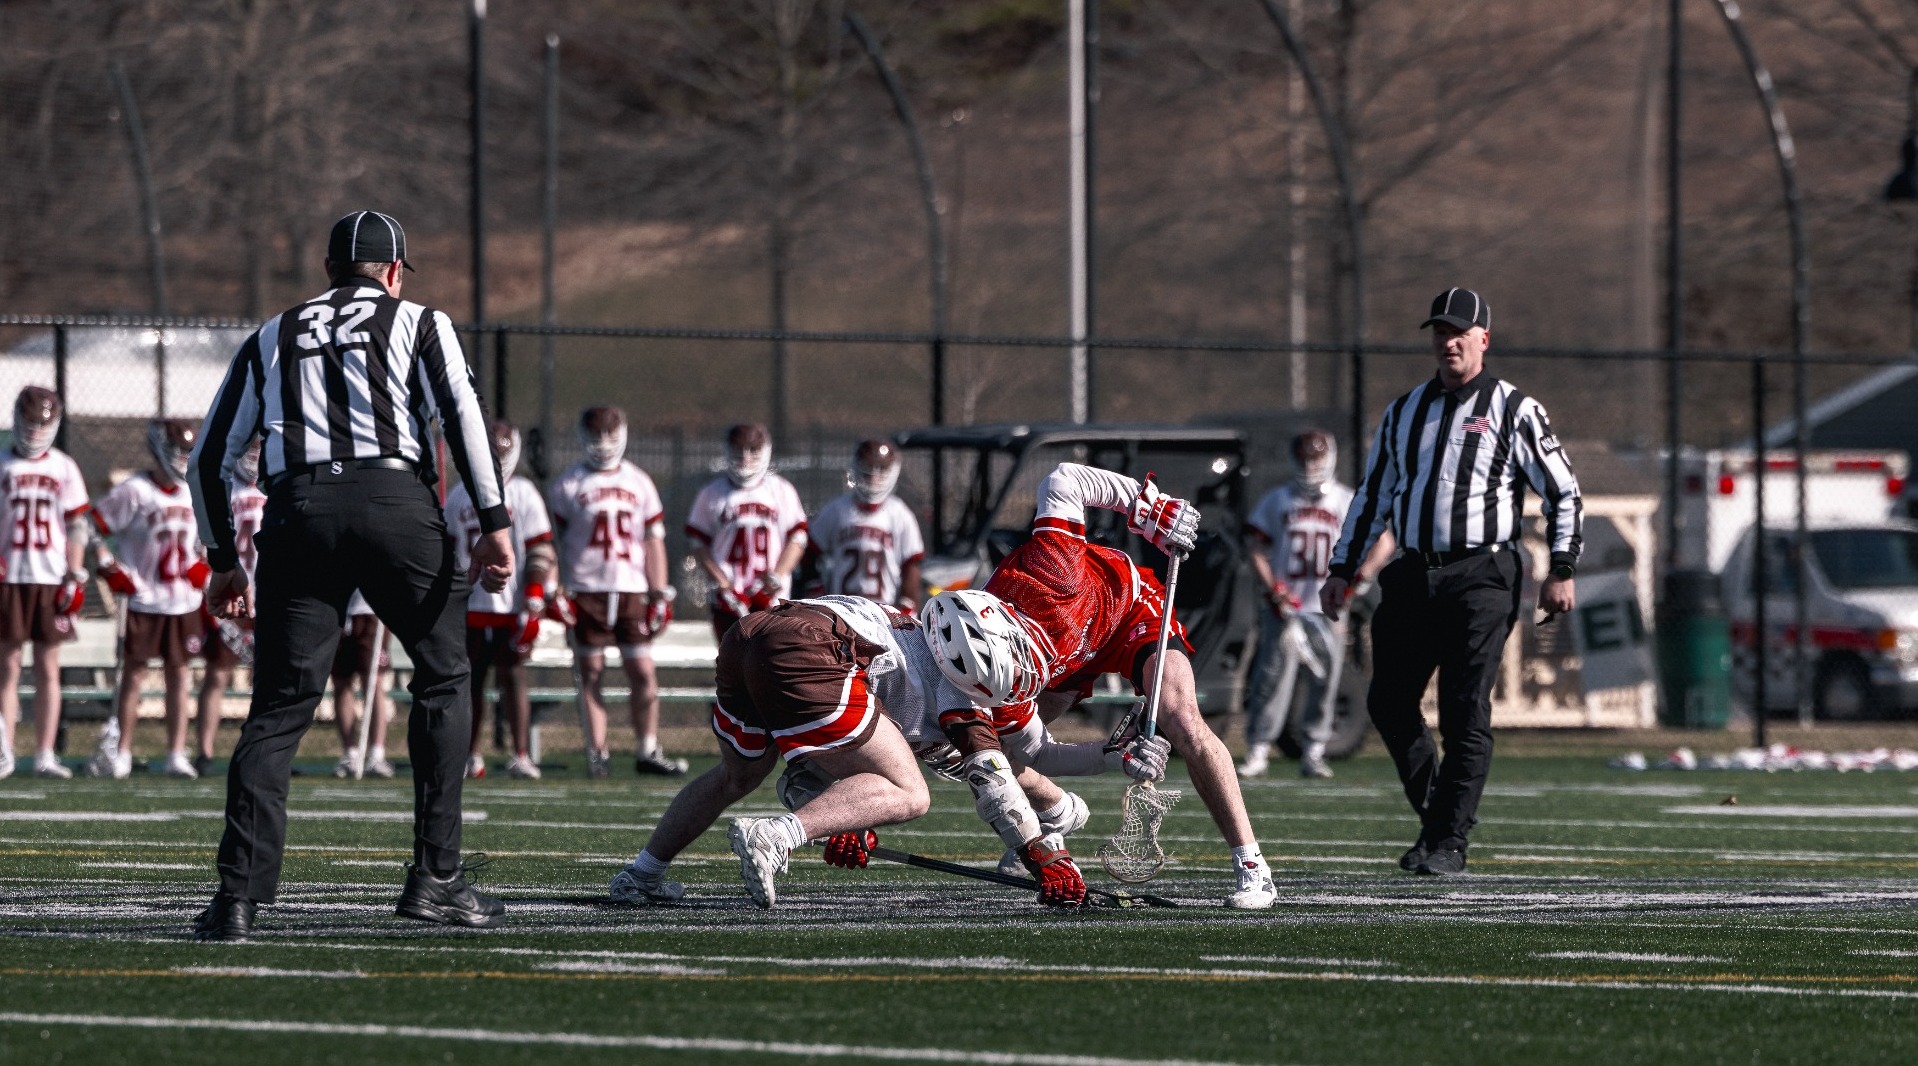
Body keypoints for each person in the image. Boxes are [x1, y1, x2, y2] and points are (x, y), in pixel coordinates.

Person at [189, 209, 514, 941]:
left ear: (329, 272)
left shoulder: (272, 334)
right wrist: (495, 521)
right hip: (396, 502)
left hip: (299, 510)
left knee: (279, 705)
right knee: (442, 677)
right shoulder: (419, 322)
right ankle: (435, 879)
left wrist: (222, 561)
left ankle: (238, 898)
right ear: (394, 273)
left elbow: (208, 459)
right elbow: (463, 414)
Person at [609, 595, 1145, 910]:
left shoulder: (907, 625)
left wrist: (838, 818)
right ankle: (775, 836)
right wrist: (1041, 854)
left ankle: (641, 874)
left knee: (735, 776)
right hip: (815, 651)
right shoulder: (955, 691)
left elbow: (808, 769)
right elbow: (994, 780)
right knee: (911, 793)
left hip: (749, 636)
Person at [931, 462, 1281, 910]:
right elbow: (1038, 752)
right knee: (1007, 750)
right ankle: (1049, 826)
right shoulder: (985, 675)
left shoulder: (1052, 569)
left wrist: (1150, 508)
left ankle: (1252, 866)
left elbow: (1063, 478)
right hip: (1063, 650)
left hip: (1125, 609)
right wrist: (1117, 758)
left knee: (1181, 718)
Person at [1321, 287, 1582, 876]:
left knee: (1466, 710)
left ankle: (1448, 842)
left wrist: (1562, 567)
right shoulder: (1404, 410)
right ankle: (1442, 819)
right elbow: (1373, 497)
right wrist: (1343, 568)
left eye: (1460, 331)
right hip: (1413, 571)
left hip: (1482, 574)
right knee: (1388, 702)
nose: (1449, 341)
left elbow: (1562, 490)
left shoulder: (1515, 409)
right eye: (1440, 331)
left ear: (1484, 339)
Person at [1239, 430, 1392, 780]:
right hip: (1287, 607)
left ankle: (1314, 750)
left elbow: (1384, 540)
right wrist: (1273, 588)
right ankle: (1259, 748)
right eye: (1305, 458)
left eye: (1316, 458)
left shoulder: (1344, 500)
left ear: (1330, 458)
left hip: (1328, 608)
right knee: (1272, 679)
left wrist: (1360, 577)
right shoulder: (1279, 500)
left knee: (1327, 682)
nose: (1311, 466)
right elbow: (1255, 545)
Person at [549, 406, 683, 777]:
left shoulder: (639, 481)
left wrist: (659, 592)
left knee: (642, 670)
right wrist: (555, 586)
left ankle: (647, 748)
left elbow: (654, 540)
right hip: (586, 589)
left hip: (630, 591)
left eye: (610, 435)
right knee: (590, 671)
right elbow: (553, 544)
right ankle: (598, 753)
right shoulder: (569, 483)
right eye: (596, 436)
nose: (603, 444)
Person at [88, 419, 212, 780]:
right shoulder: (135, 490)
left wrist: (203, 566)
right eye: (178, 451)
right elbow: (93, 526)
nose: (183, 459)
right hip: (142, 598)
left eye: (188, 452)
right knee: (134, 676)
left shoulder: (195, 489)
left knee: (180, 676)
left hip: (183, 600)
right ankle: (123, 751)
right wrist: (109, 565)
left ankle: (176, 752)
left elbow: (206, 541)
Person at [448, 420, 554, 780]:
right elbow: (448, 552)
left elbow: (541, 550)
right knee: (470, 681)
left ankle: (520, 753)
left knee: (513, 677)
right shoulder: (460, 493)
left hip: (512, 605)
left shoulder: (522, 492)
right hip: (470, 604)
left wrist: (535, 598)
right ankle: (469, 754)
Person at [0, 387, 90, 780]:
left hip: (49, 576)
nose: (35, 430)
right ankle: (5, 750)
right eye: (30, 421)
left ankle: (44, 753)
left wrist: (74, 572)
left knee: (48, 667)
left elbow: (76, 525)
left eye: (43, 422)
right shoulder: (2, 463)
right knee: (8, 666)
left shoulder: (64, 467)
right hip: (10, 575)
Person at [686, 423, 808, 639]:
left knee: (770, 664)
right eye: (738, 450)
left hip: (771, 597)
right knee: (731, 666)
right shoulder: (712, 493)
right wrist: (722, 583)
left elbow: (797, 539)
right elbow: (698, 543)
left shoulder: (781, 490)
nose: (745, 457)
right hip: (728, 599)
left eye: (753, 450)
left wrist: (777, 576)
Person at [196, 438, 266, 777]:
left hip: (266, 592)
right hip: (231, 593)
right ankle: (205, 752)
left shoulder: (274, 487)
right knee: (217, 674)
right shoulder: (225, 487)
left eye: (259, 448)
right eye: (249, 448)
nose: (253, 456)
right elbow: (202, 544)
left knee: (267, 680)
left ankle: (261, 753)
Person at [805, 439, 925, 613]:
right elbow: (809, 549)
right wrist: (815, 588)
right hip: (842, 610)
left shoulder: (900, 514)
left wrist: (907, 604)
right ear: (856, 466)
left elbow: (911, 565)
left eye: (882, 469)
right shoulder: (838, 509)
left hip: (884, 611)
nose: (874, 476)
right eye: (868, 468)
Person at [329, 591, 395, 779]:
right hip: (339, 609)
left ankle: (377, 754)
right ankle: (350, 754)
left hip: (370, 609)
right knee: (341, 681)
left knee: (373, 682)